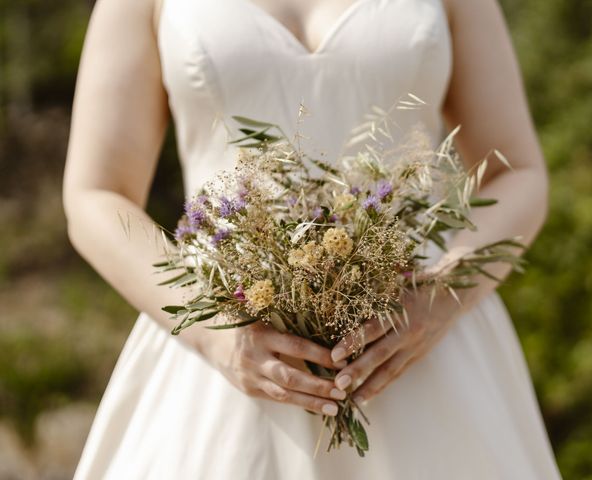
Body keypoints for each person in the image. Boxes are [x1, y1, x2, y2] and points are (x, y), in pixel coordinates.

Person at [63, 0, 564, 478]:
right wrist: (213, 333)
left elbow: (516, 172)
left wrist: (441, 296)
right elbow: (95, 193)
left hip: (417, 343)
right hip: (225, 348)